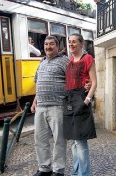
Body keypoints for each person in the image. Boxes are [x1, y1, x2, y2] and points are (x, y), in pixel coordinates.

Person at [31, 35, 68, 176]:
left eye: (52, 44)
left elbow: (74, 79)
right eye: (46, 44)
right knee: (40, 139)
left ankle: (58, 170)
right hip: (41, 107)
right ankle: (44, 168)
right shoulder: (42, 63)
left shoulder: (65, 61)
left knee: (59, 140)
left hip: (57, 106)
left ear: (57, 46)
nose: (48, 47)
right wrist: (35, 101)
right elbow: (38, 84)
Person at [64, 33, 97, 176]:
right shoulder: (70, 60)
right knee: (73, 141)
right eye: (69, 42)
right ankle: (77, 172)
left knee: (81, 141)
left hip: (81, 101)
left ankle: (84, 174)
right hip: (70, 101)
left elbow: (94, 82)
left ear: (81, 44)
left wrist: (87, 100)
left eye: (74, 42)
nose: (71, 44)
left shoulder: (88, 58)